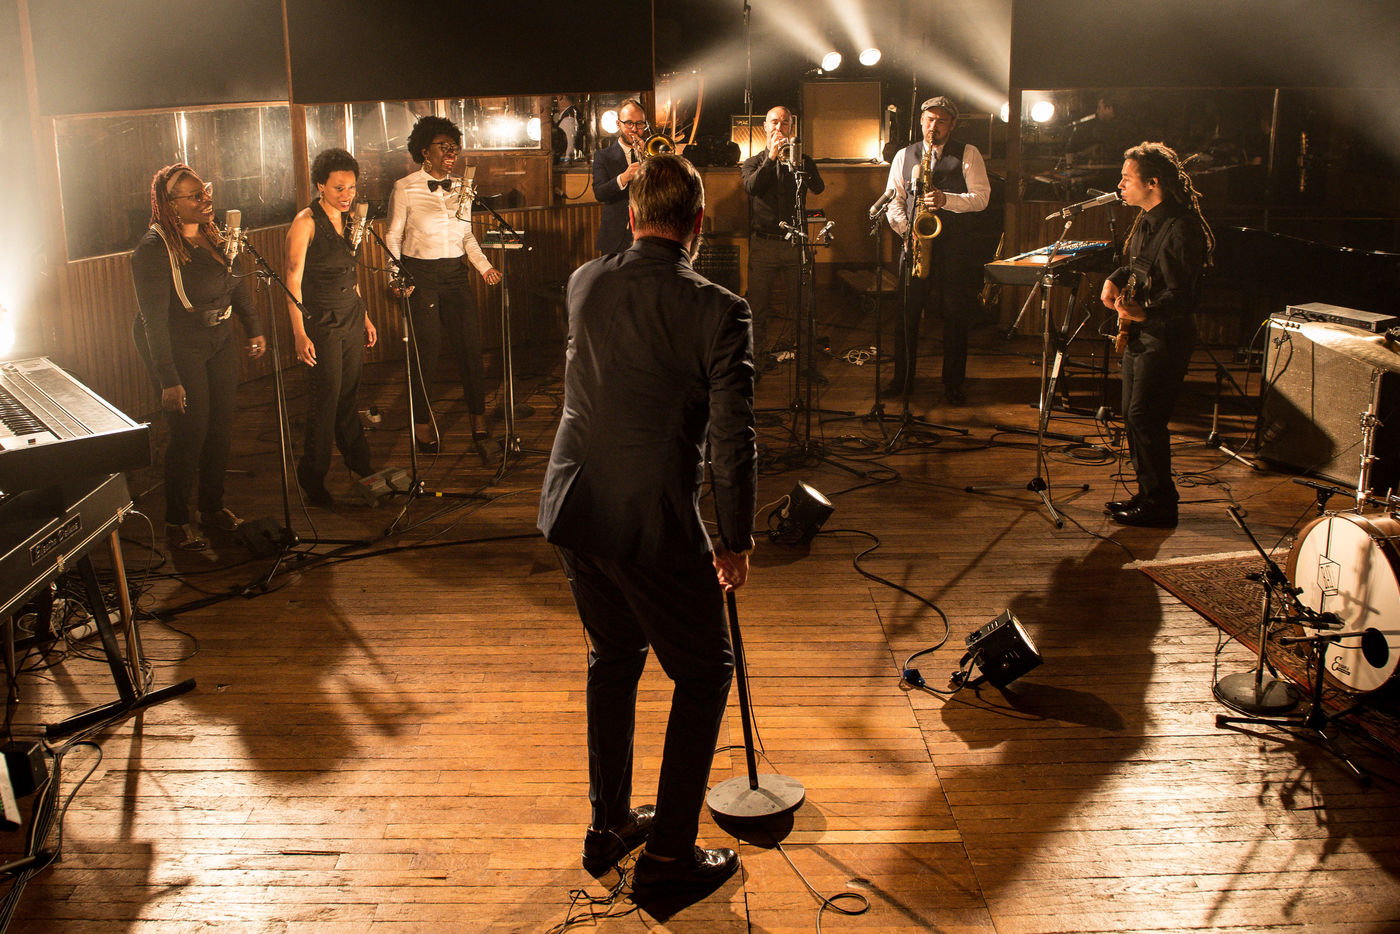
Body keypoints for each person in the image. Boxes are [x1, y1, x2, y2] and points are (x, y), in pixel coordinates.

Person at [537, 154, 755, 892]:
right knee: (706, 671)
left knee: (615, 657)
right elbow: (733, 439)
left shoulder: (585, 281)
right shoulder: (720, 309)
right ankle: (666, 859)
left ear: (631, 217)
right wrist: (734, 540)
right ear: (699, 223)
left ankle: (608, 827)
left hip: (574, 506)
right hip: (649, 517)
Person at [131, 163, 266, 551]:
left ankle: (211, 507)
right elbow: (153, 321)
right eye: (195, 196)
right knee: (191, 432)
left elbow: (233, 281)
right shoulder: (153, 250)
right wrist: (169, 379)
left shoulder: (214, 234)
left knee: (220, 427)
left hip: (217, 338)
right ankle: (176, 521)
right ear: (170, 204)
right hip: (179, 343)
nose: (206, 200)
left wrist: (252, 326)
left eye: (205, 191)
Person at [1100, 142, 1215, 528]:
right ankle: (1147, 494)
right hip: (1143, 333)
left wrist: (1147, 312)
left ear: (1152, 183)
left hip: (1166, 336)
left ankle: (1162, 504)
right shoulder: (1147, 220)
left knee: (1145, 416)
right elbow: (1139, 266)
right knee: (1133, 417)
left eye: (1126, 178)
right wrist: (1114, 278)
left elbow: (1185, 296)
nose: (1120, 185)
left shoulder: (1182, 226)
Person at [385, 115, 501, 455]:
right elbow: (393, 236)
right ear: (425, 151)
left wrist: (484, 267)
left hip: (454, 275)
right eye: (444, 147)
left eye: (455, 147)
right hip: (419, 276)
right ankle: (422, 424)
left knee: (470, 348)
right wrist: (394, 276)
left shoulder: (463, 187)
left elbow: (466, 235)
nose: (452, 153)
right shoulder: (404, 187)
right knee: (427, 352)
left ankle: (478, 420)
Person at [284, 148, 378, 506]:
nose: (347, 195)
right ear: (320, 185)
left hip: (350, 315)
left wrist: (364, 315)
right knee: (325, 399)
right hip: (320, 320)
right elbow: (291, 282)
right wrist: (299, 333)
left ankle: (360, 466)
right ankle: (313, 477)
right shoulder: (306, 222)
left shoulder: (351, 220)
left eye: (351, 187)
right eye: (339, 188)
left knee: (348, 396)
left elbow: (350, 273)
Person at [883, 96, 991, 404]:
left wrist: (947, 200)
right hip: (915, 243)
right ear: (921, 121)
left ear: (952, 125)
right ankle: (902, 380)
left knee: (956, 316)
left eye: (941, 121)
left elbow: (982, 198)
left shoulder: (969, 153)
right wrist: (907, 232)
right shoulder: (904, 155)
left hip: (955, 246)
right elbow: (894, 199)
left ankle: (953, 385)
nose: (934, 127)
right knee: (907, 315)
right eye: (930, 120)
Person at [739, 105, 825, 358]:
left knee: (804, 308)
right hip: (764, 244)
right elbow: (752, 187)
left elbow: (818, 188)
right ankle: (755, 364)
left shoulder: (802, 161)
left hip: (795, 245)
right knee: (757, 309)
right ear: (765, 126)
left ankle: (807, 363)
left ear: (791, 127)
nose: (779, 127)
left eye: (785, 123)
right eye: (774, 122)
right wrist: (772, 158)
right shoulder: (753, 162)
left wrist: (799, 163)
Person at [591, 98, 648, 254]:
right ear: (618, 124)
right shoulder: (603, 156)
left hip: (648, 236)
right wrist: (623, 178)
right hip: (616, 238)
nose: (634, 129)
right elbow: (599, 193)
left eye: (639, 124)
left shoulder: (651, 153)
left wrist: (652, 160)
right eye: (629, 123)